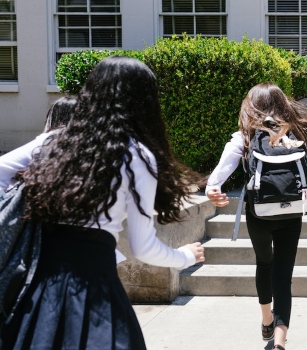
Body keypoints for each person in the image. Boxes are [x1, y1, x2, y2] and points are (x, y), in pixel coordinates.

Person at [0, 56, 205, 350]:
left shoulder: (53, 142)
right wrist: (184, 256)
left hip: (38, 291)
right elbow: (143, 247)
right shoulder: (136, 155)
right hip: (95, 292)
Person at [206, 83, 307, 350]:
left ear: (251, 106)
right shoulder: (296, 136)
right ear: (283, 104)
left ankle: (265, 318)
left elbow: (219, 175)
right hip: (292, 213)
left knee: (264, 264)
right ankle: (280, 342)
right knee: (283, 275)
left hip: (258, 213)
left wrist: (213, 190)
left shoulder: (245, 136)